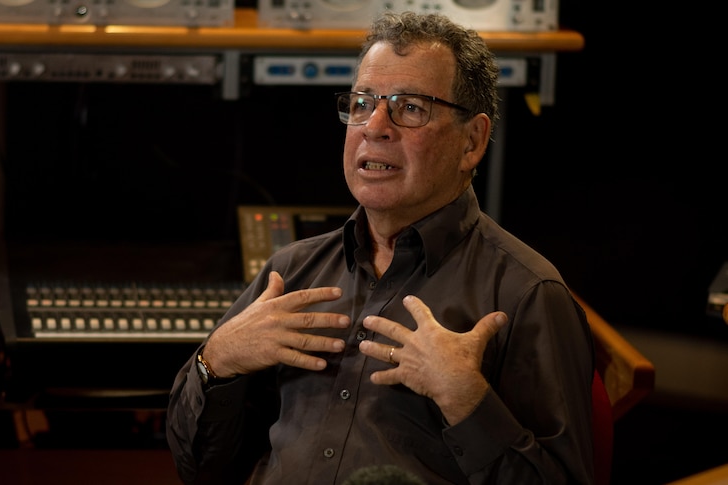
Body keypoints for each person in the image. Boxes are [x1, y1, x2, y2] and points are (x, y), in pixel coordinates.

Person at [166, 11, 595, 484]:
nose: (375, 126)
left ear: (472, 141)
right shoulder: (291, 270)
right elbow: (198, 466)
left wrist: (467, 401)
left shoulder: (528, 295)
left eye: (410, 107)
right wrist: (217, 362)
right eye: (362, 103)